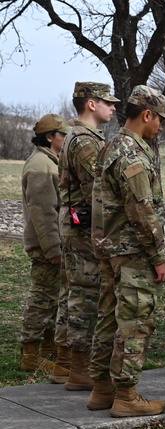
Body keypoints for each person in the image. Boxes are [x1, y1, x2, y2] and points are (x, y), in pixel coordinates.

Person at [87, 85, 165, 417]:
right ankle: (126, 395)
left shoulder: (112, 145)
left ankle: (102, 388)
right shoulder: (131, 152)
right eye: (159, 120)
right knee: (135, 320)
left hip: (111, 249)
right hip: (132, 251)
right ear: (146, 115)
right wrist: (158, 256)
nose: (161, 127)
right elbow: (141, 210)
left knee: (109, 316)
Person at [57, 82, 119, 389]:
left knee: (80, 295)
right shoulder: (84, 141)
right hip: (83, 229)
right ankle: (78, 368)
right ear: (91, 104)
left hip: (80, 226)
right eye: (108, 102)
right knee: (85, 298)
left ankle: (72, 365)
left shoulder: (84, 137)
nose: (114, 107)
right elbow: (99, 185)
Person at [19, 114, 70, 373]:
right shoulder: (41, 165)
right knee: (41, 299)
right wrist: (52, 249)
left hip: (53, 245)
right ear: (49, 137)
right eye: (63, 135)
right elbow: (43, 213)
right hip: (45, 247)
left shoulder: (50, 161)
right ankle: (30, 355)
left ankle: (48, 347)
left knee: (53, 298)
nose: (67, 139)